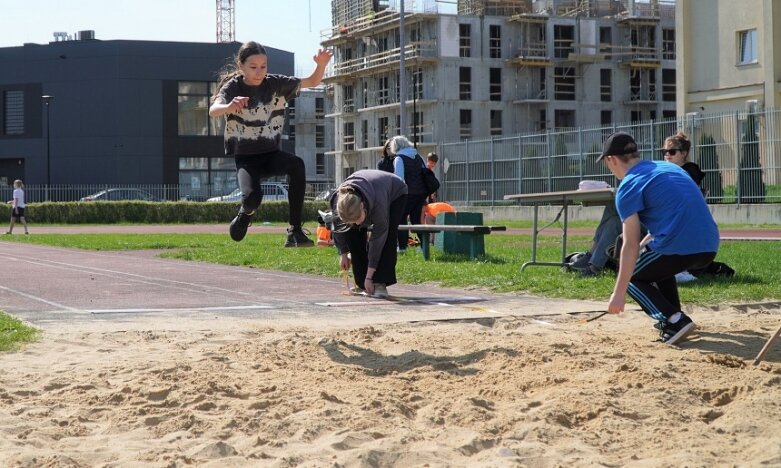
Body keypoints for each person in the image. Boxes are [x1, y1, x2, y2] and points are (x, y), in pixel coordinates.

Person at [598, 132, 719, 345]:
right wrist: (649, 241)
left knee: (633, 276)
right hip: (709, 245)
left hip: (679, 246)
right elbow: (676, 211)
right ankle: (675, 317)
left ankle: (674, 321)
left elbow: (629, 243)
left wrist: (618, 293)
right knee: (658, 266)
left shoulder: (629, 184)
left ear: (611, 159)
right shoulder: (668, 168)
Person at [209, 41, 332, 246]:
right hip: (247, 160)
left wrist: (321, 65)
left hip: (271, 154)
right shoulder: (234, 86)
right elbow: (214, 110)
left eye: (263, 67)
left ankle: (295, 232)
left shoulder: (275, 84)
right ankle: (245, 214)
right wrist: (230, 105)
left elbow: (312, 81)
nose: (259, 72)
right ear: (241, 66)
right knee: (252, 199)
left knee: (296, 164)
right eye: (253, 67)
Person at [329, 170, 408, 298]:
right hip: (365, 190)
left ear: (362, 206)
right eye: (352, 221)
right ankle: (362, 283)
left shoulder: (378, 204)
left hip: (396, 192)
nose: (357, 223)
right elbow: (338, 229)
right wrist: (343, 253)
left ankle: (379, 282)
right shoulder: (339, 204)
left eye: (357, 219)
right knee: (352, 233)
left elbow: (377, 240)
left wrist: (370, 276)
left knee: (387, 235)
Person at [390, 135, 427, 251]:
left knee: (401, 219)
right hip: (420, 193)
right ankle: (423, 246)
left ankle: (402, 247)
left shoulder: (399, 158)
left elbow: (399, 179)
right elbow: (424, 172)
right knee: (416, 220)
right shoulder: (418, 157)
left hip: (406, 194)